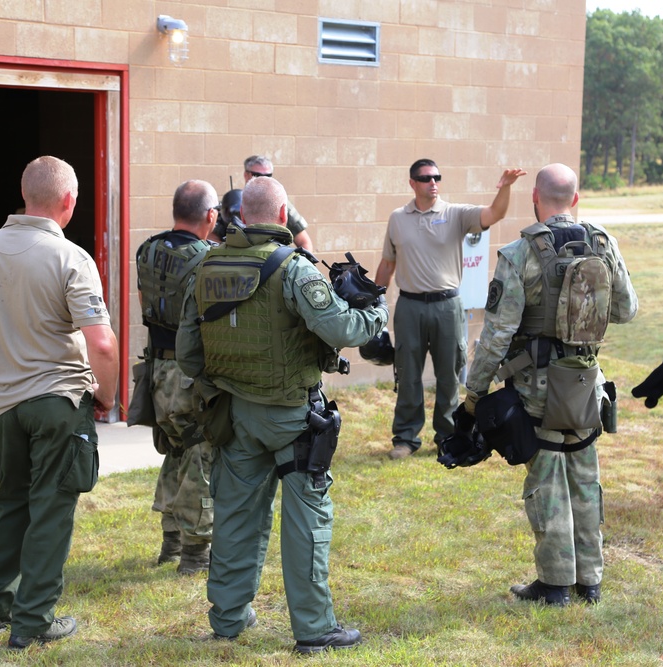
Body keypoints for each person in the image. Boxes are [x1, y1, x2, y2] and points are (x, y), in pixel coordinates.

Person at [176, 175, 388, 652]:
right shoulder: (294, 268)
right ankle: (314, 629)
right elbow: (342, 327)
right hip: (294, 417)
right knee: (306, 520)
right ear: (283, 213)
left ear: (240, 215)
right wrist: (377, 311)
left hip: (235, 416)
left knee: (234, 517)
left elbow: (189, 357)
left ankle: (228, 617)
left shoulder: (205, 266)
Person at [0, 156, 119, 649]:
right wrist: (106, 397)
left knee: (10, 501)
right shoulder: (71, 257)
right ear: (68, 202)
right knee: (50, 508)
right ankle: (33, 621)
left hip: (1, 403)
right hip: (56, 401)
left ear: (25, 194)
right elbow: (103, 343)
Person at [462, 163, 637, 606]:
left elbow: (498, 334)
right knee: (584, 474)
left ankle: (555, 584)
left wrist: (474, 392)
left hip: (538, 387)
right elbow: (626, 310)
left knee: (546, 481)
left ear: (535, 199)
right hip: (586, 382)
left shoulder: (520, 255)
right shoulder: (603, 243)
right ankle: (589, 580)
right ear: (575, 199)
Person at [376, 159, 526, 460]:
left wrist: (506, 188)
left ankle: (446, 435)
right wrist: (373, 302)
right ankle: (405, 438)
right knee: (407, 374)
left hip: (447, 306)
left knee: (449, 374)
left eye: (436, 177)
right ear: (412, 183)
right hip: (410, 306)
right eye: (425, 178)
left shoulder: (455, 214)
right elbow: (388, 264)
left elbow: (494, 214)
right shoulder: (397, 218)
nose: (433, 182)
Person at [136, 180, 218, 574]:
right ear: (211, 216)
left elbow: (146, 306)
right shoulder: (206, 260)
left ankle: (171, 542)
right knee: (199, 455)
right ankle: (194, 554)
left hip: (156, 369)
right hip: (187, 372)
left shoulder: (147, 250)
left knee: (174, 452)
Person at [242, 155, 313, 251]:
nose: (263, 179)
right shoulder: (236, 201)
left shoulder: (280, 203)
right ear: (246, 175)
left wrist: (298, 264)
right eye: (257, 175)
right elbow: (215, 237)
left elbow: (304, 242)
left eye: (268, 176)